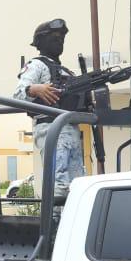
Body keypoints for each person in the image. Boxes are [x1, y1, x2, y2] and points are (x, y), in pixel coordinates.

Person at [14, 18, 85, 199]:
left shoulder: (66, 71)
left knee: (78, 186)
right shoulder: (37, 65)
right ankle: (54, 225)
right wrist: (36, 88)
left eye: (62, 37)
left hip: (71, 130)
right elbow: (18, 95)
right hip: (51, 128)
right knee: (59, 185)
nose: (59, 40)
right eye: (54, 37)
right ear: (41, 42)